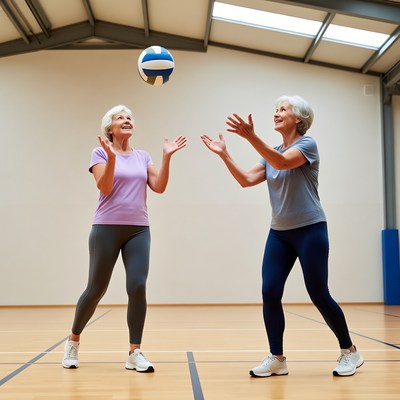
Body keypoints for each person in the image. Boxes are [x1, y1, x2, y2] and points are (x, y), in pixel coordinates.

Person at [200, 95, 364, 377]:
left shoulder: (306, 145)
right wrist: (224, 154)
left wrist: (251, 137)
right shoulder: (271, 152)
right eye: (275, 109)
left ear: (299, 119)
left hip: (310, 229)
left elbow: (283, 162)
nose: (276, 113)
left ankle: (350, 352)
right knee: (270, 291)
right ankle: (277, 358)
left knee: (319, 294)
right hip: (279, 234)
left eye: (283, 109)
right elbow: (245, 180)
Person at [62, 104, 187, 372]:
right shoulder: (100, 152)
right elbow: (104, 187)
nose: (127, 120)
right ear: (110, 128)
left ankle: (135, 352)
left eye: (129, 117)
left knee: (138, 286)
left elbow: (159, 187)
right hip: (105, 228)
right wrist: (112, 158)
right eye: (120, 118)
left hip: (139, 229)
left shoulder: (143, 156)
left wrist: (167, 158)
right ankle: (73, 341)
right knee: (96, 289)